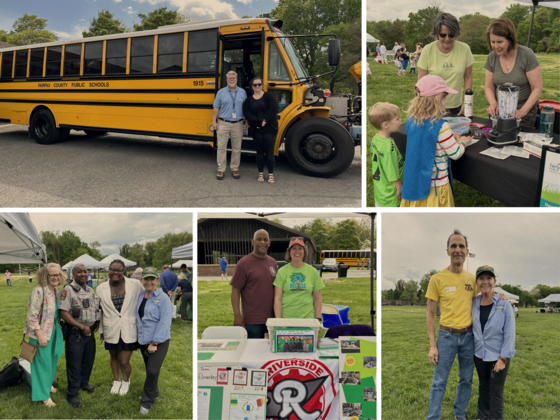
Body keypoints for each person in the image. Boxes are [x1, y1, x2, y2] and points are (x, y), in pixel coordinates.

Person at [425, 230, 477, 420]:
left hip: (469, 337)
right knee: (439, 382)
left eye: (461, 246)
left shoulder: (472, 279)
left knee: (466, 380)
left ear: (466, 251)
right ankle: (433, 417)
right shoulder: (437, 279)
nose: (457, 249)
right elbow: (430, 314)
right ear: (447, 251)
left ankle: (460, 413)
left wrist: (500, 296)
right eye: (453, 246)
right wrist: (432, 345)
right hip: (446, 337)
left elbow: (482, 299)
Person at [400, 75, 473, 207]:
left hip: (415, 180)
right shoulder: (441, 126)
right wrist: (462, 142)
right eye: (444, 97)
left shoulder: (411, 121)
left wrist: (450, 137)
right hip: (436, 186)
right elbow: (455, 153)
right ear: (438, 99)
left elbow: (425, 141)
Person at [472, 265, 516, 420]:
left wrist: (503, 358)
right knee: (483, 387)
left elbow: (509, 334)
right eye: (481, 278)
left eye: (489, 278)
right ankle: (482, 416)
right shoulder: (473, 303)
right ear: (476, 282)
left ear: (494, 281)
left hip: (499, 357)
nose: (485, 282)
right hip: (479, 355)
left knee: (496, 390)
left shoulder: (504, 304)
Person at [484, 18, 543, 128]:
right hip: (499, 114)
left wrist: (522, 111)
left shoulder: (526, 55)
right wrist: (493, 103)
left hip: (523, 114)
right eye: (493, 42)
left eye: (500, 42)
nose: (496, 46)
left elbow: (537, 88)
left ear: (510, 39)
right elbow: (488, 86)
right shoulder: (492, 58)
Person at [97, 259, 143, 396]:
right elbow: (100, 310)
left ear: (124, 271)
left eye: (119, 270)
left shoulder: (135, 284)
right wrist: (101, 329)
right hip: (110, 327)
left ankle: (126, 381)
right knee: (113, 356)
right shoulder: (101, 288)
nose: (116, 272)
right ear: (108, 270)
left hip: (129, 327)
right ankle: (116, 380)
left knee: (124, 361)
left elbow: (145, 298)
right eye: (113, 269)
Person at [59, 263, 101, 408]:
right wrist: (82, 326)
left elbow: (95, 309)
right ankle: (72, 394)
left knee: (88, 362)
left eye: (85, 271)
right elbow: (63, 313)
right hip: (75, 334)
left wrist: (97, 324)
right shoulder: (67, 290)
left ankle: (84, 384)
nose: (83, 274)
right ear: (73, 274)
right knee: (74, 365)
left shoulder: (90, 290)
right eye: (79, 272)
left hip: (89, 333)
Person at [418, 13, 474, 116]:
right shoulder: (428, 50)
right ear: (436, 34)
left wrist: (467, 101)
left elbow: (468, 77)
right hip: (432, 107)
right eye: (443, 35)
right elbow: (421, 82)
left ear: (456, 34)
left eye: (451, 35)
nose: (447, 39)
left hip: (456, 107)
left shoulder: (464, 49)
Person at [24, 263, 65, 407]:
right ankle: (43, 395)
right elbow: (31, 317)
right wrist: (39, 334)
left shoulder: (55, 290)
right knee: (42, 363)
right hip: (40, 334)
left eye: (57, 274)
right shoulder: (38, 291)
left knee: (52, 360)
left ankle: (47, 385)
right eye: (52, 274)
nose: (55, 277)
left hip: (54, 331)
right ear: (45, 276)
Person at [136, 267, 173, 415]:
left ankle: (146, 401)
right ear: (142, 280)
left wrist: (154, 342)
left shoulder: (163, 298)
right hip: (143, 340)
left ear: (157, 280)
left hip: (158, 341)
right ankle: (154, 392)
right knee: (150, 369)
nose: (149, 282)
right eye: (146, 279)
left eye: (152, 279)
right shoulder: (140, 296)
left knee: (152, 371)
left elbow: (164, 322)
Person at [230, 229, 278, 338]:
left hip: (272, 320)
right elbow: (235, 290)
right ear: (252, 242)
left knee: (271, 353)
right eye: (259, 239)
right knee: (252, 352)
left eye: (265, 239)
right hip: (252, 321)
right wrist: (237, 316)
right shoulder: (244, 263)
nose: (262, 242)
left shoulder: (273, 262)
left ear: (269, 243)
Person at [273, 237, 325, 320]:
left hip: (308, 319)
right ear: (289, 252)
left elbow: (317, 298)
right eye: (294, 248)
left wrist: (318, 318)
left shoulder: (313, 271)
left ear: (304, 251)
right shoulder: (282, 272)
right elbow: (277, 299)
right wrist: (279, 321)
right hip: (287, 319)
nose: (297, 251)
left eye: (300, 248)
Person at [212, 70, 248, 180]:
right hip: (223, 123)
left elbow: (246, 108)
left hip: (238, 123)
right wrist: (214, 121)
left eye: (233, 78)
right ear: (226, 80)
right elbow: (216, 107)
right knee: (221, 147)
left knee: (236, 148)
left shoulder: (242, 92)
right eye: (229, 78)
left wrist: (247, 121)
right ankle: (221, 169)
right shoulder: (221, 92)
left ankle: (234, 168)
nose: (232, 80)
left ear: (237, 80)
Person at [243, 76, 279, 184]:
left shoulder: (269, 96)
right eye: (255, 85)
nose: (257, 86)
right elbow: (247, 113)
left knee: (269, 152)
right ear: (252, 87)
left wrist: (263, 121)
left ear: (262, 86)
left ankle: (271, 174)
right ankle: (260, 174)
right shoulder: (248, 100)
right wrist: (258, 122)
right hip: (256, 129)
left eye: (259, 84)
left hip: (270, 129)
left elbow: (273, 109)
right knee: (259, 152)